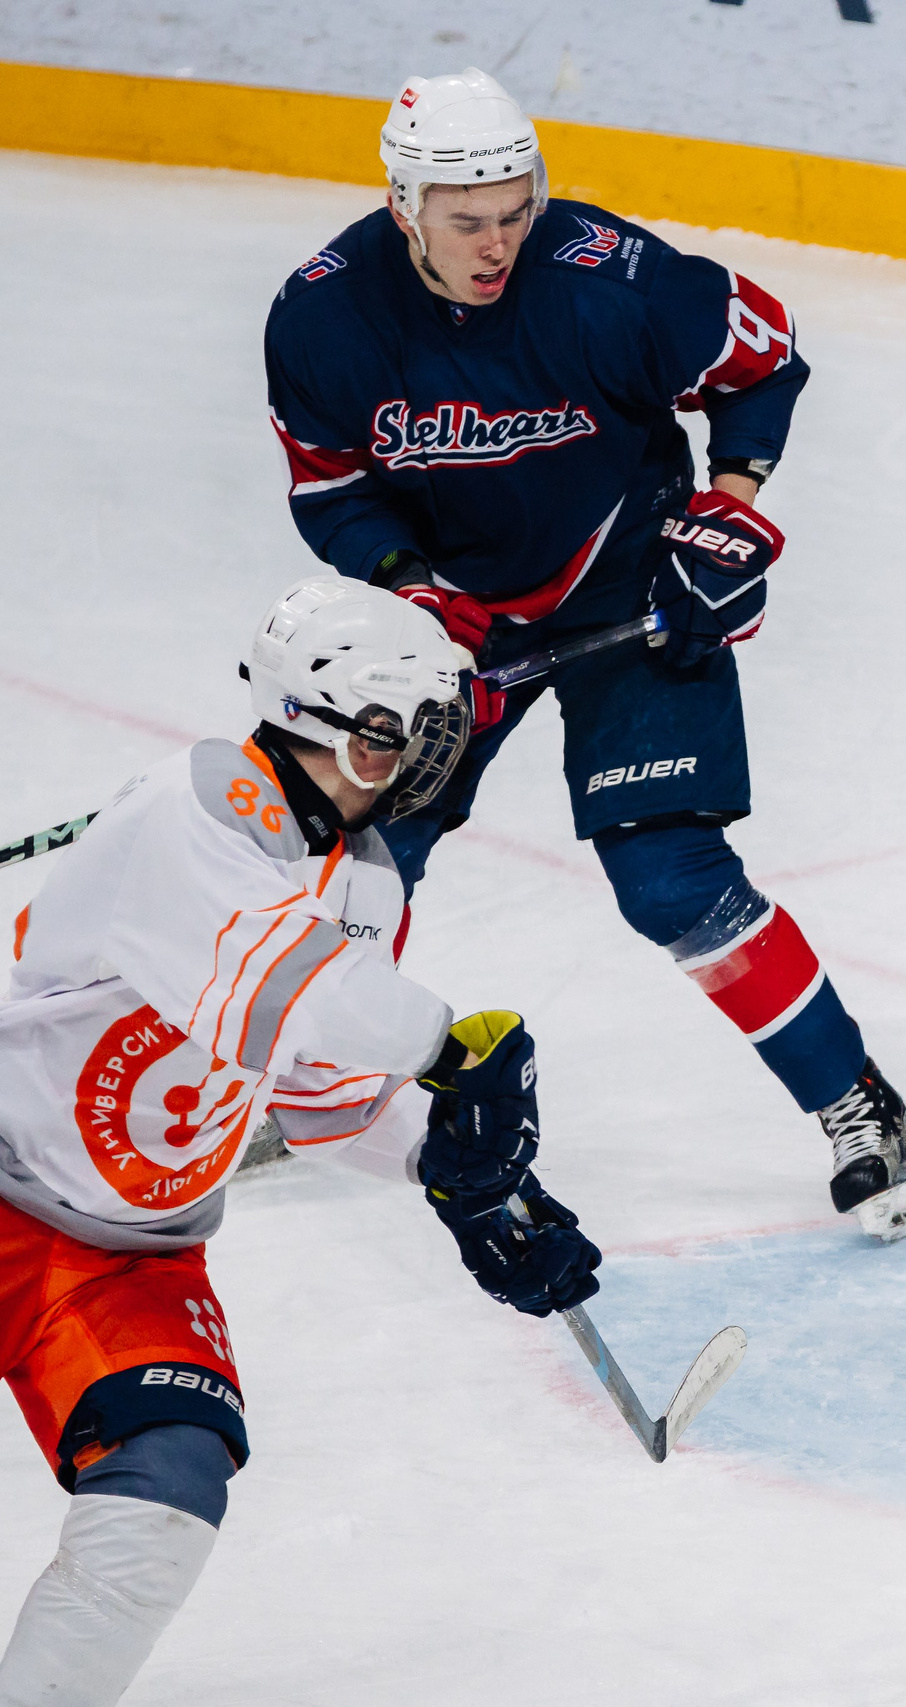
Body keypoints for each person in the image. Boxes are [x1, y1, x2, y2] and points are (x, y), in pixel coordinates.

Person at [260, 67, 906, 1241]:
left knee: (670, 880)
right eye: (467, 219)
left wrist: (731, 506)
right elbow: (331, 494)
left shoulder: (610, 281)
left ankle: (860, 1107)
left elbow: (763, 361)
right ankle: (315, 1079)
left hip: (634, 587)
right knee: (369, 841)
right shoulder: (321, 316)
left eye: (517, 207)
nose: (498, 241)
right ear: (401, 203)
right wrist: (407, 590)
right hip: (452, 616)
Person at [0, 579, 600, 1703]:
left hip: (123, 1255)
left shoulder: (364, 884)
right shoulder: (200, 804)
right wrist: (453, 1053)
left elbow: (327, 1096)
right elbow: (272, 986)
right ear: (359, 726)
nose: (433, 755)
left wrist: (468, 1178)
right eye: (418, 729)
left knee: (168, 1489)